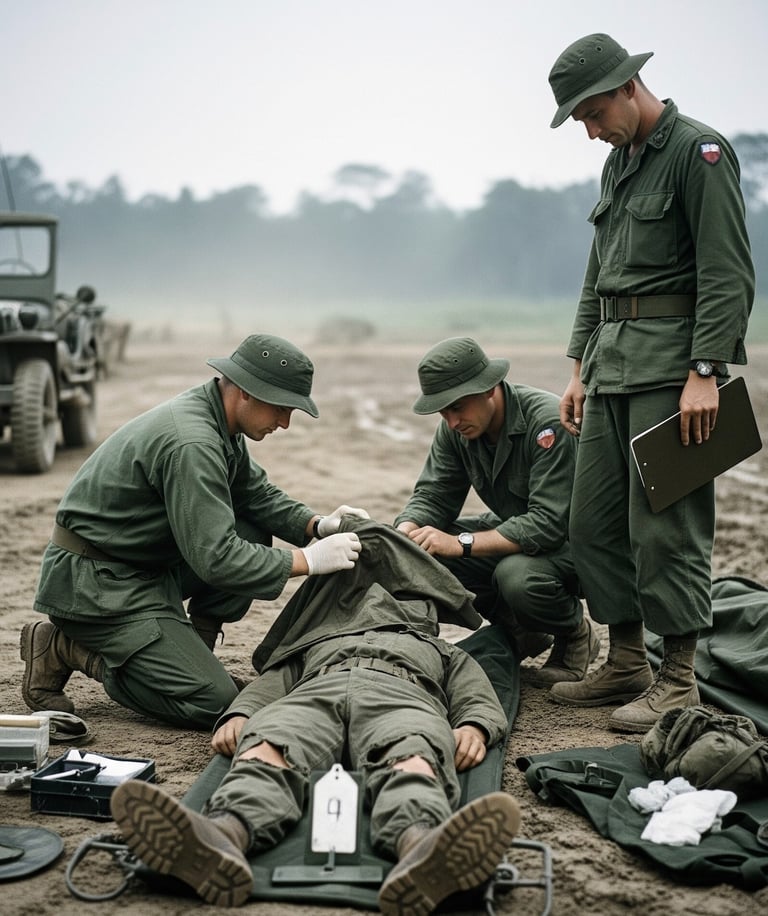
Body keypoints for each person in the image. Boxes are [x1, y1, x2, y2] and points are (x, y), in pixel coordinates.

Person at [110, 518, 522, 914]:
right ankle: (222, 835)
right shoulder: (316, 641)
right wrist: (242, 713)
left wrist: (475, 725)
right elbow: (275, 680)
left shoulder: (442, 650)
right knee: (272, 743)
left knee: (411, 754)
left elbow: (475, 689)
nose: (377, 600)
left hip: (400, 696)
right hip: (316, 692)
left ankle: (421, 848)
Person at [546, 34, 754, 731]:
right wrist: (579, 366)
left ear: (628, 88)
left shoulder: (701, 154)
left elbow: (728, 273)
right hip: (610, 365)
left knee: (666, 527)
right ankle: (627, 662)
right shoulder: (620, 161)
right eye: (580, 118)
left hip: (674, 371)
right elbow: (596, 271)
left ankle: (678, 679)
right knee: (593, 523)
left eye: (594, 112)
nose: (590, 129)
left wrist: (706, 371)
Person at [20, 334, 368, 729]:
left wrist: (317, 524)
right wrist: (309, 560)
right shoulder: (194, 441)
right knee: (218, 703)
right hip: (97, 586)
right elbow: (217, 559)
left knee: (251, 529)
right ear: (245, 393)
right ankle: (68, 649)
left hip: (141, 565)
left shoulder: (216, 417)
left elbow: (253, 493)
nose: (285, 423)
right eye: (282, 408)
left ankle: (190, 652)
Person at [393, 336, 599, 685]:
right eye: (443, 411)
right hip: (523, 532)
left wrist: (461, 543)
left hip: (583, 543)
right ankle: (525, 629)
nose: (452, 421)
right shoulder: (456, 429)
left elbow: (549, 524)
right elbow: (435, 494)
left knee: (517, 577)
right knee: (424, 553)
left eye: (457, 407)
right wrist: (406, 531)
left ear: (489, 389)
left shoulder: (547, 423)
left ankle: (574, 633)